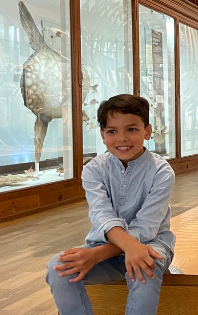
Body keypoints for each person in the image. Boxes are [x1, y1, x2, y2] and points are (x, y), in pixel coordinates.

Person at [46, 94, 176, 315]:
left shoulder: (162, 172)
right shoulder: (93, 170)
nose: (122, 138)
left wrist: (98, 255)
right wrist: (99, 252)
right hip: (103, 245)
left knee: (146, 268)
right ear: (102, 135)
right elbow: (102, 215)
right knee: (58, 268)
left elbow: (146, 227)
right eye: (112, 131)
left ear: (147, 131)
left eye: (131, 129)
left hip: (152, 244)